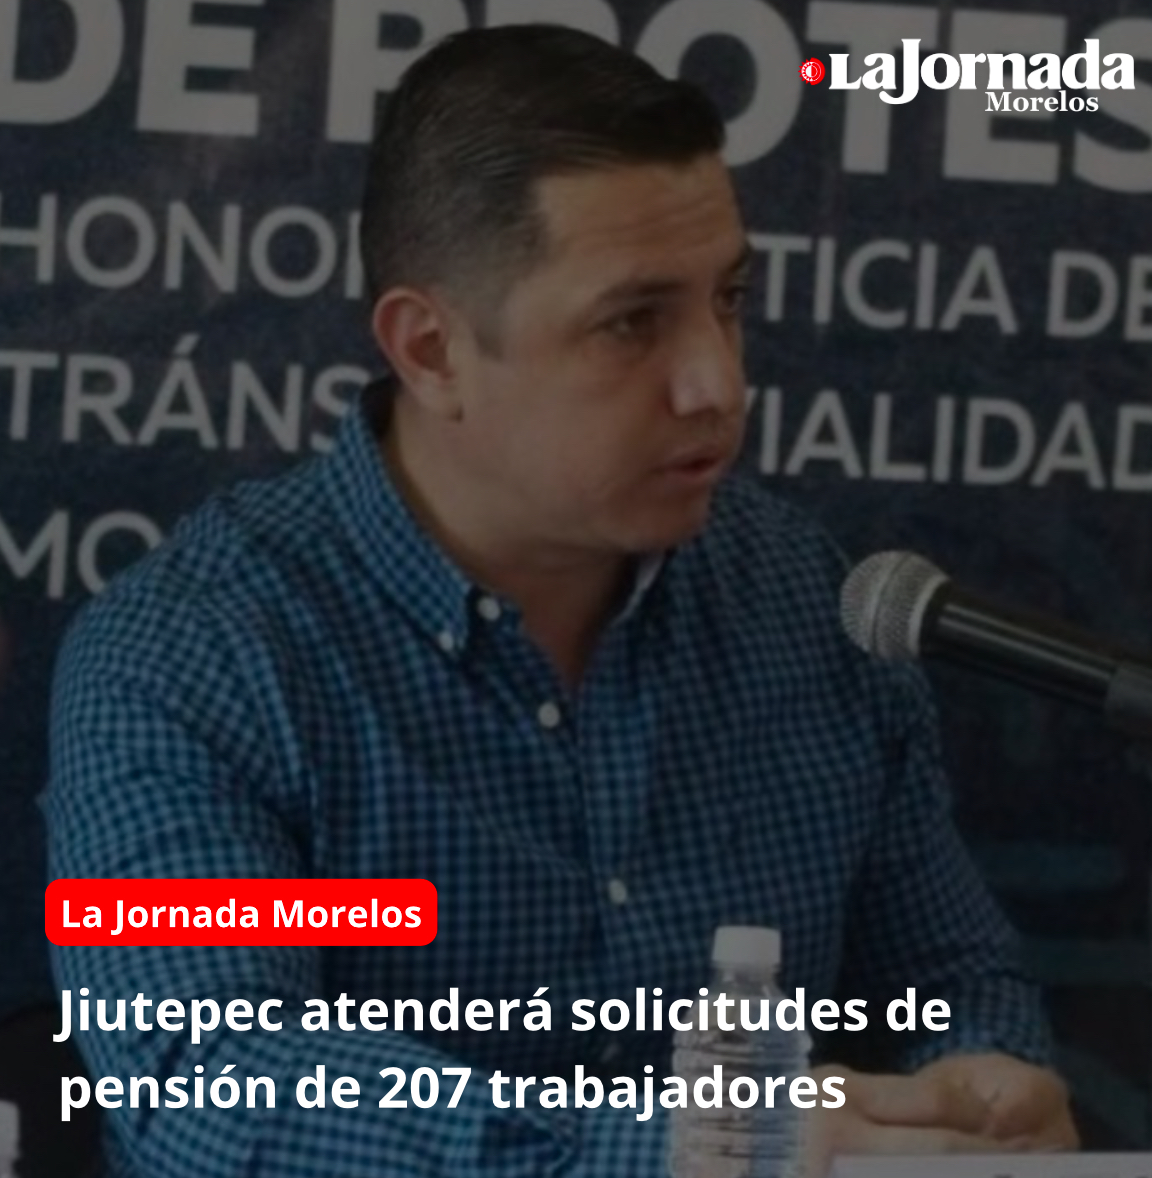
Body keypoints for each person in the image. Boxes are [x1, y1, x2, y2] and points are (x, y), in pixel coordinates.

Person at [46, 24, 1077, 1177]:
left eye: (729, 298)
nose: (719, 382)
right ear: (431, 348)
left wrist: (982, 1084)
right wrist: (675, 1150)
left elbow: (943, 972)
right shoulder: (193, 652)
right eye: (633, 321)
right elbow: (210, 1087)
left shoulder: (805, 600)